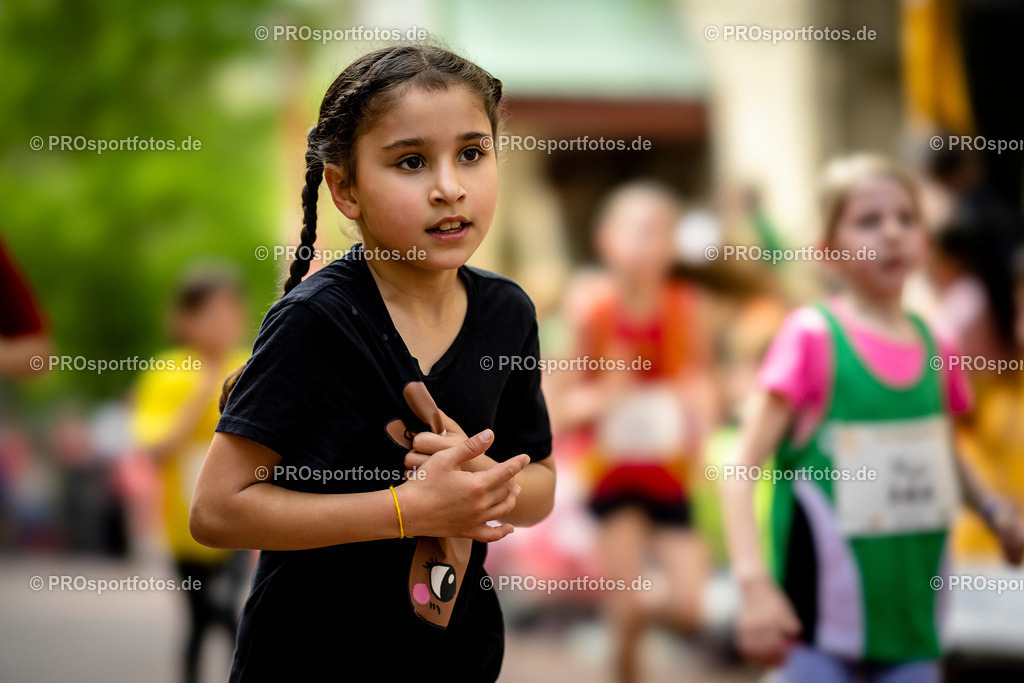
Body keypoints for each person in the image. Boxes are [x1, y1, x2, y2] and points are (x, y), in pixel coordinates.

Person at [189, 44, 556, 682]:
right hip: (309, 660)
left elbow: (542, 483)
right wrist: (410, 510)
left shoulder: (508, 313)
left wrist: (481, 484)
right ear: (345, 188)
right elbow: (217, 511)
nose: (449, 187)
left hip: (455, 659)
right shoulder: (318, 321)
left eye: (472, 153)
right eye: (411, 162)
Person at [722, 154, 1024, 682]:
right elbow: (740, 466)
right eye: (868, 220)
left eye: (906, 219)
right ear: (826, 250)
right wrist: (753, 585)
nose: (891, 233)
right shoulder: (812, 338)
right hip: (817, 627)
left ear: (925, 242)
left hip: (914, 623)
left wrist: (995, 512)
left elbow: (941, 456)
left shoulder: (940, 345)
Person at [554, 182, 714, 683]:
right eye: (639, 230)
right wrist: (604, 399)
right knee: (626, 628)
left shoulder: (687, 307)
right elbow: (554, 405)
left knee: (689, 607)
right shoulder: (591, 310)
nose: (650, 244)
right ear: (607, 240)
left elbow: (703, 383)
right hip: (612, 476)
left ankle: (626, 609)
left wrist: (701, 410)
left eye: (662, 232)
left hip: (670, 474)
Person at [131, 264, 251, 683]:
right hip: (183, 528)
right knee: (200, 620)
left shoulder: (249, 366)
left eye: (231, 312)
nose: (223, 324)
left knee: (227, 607)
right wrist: (200, 395)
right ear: (184, 319)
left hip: (239, 520)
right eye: (210, 314)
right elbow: (153, 447)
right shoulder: (167, 373)